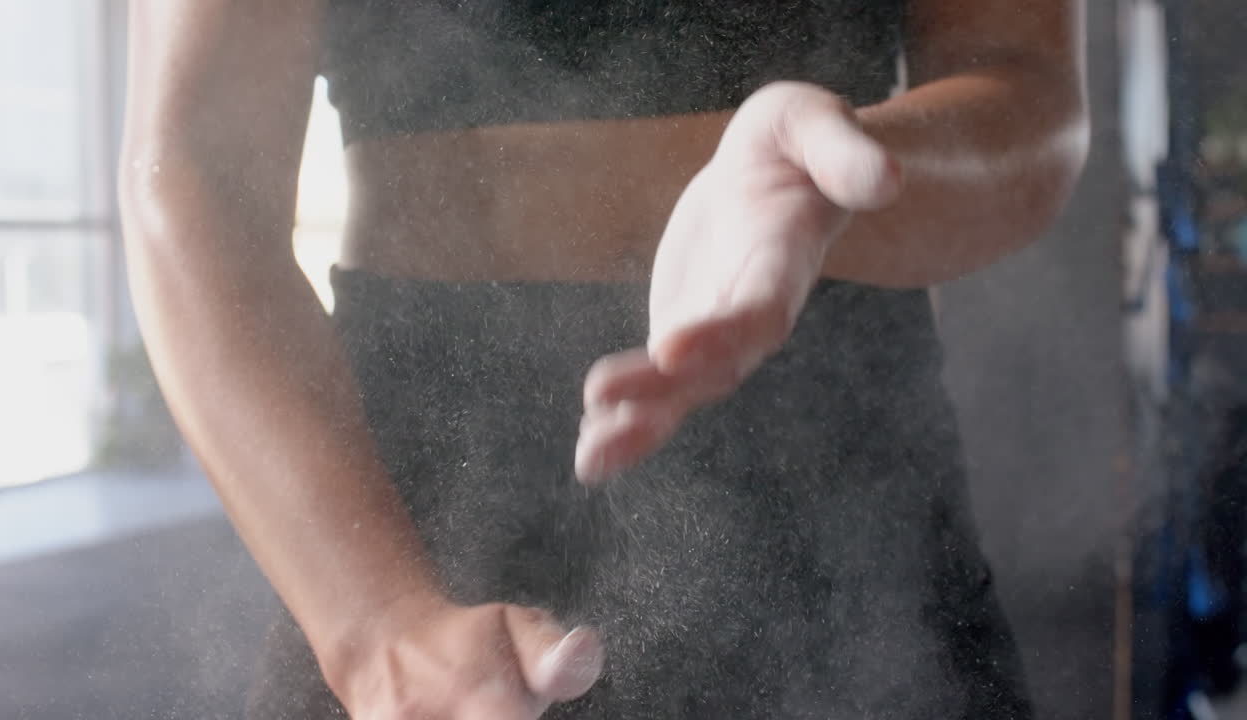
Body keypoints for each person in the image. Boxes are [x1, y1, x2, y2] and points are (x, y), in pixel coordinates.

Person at [119, 1, 1087, 718]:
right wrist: (373, 627)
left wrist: (843, 169)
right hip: (415, 508)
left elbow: (1029, 95)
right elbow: (193, 164)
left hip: (840, 464)